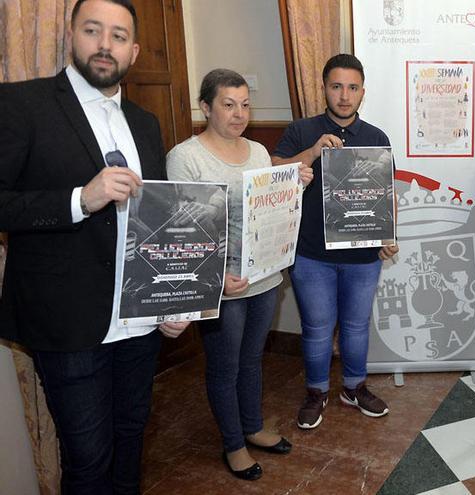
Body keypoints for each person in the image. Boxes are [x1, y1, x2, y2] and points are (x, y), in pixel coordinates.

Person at [0, 1, 189, 493]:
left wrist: (173, 298)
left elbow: (161, 221)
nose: (105, 44)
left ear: (135, 51)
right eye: (93, 30)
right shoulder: (22, 105)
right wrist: (80, 199)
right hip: (69, 323)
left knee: (130, 439)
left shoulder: (145, 123)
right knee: (87, 459)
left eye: (119, 36)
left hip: (140, 322)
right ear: (71, 35)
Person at [166, 69, 311, 480]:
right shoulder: (186, 157)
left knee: (252, 359)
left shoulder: (259, 153)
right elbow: (181, 231)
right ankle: (233, 443)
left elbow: (267, 211)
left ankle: (253, 426)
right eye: (228, 104)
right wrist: (215, 278)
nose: (239, 113)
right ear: (206, 107)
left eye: (245, 104)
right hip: (222, 286)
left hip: (263, 278)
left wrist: (294, 185)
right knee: (224, 366)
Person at [272, 54, 398, 429]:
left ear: (363, 92)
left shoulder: (376, 138)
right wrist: (312, 152)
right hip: (311, 253)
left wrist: (389, 233)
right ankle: (316, 392)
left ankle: (354, 387)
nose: (344, 96)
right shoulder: (301, 129)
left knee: (357, 326)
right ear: (324, 88)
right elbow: (272, 172)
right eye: (336, 86)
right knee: (317, 327)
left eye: (353, 88)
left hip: (362, 254)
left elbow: (385, 193)